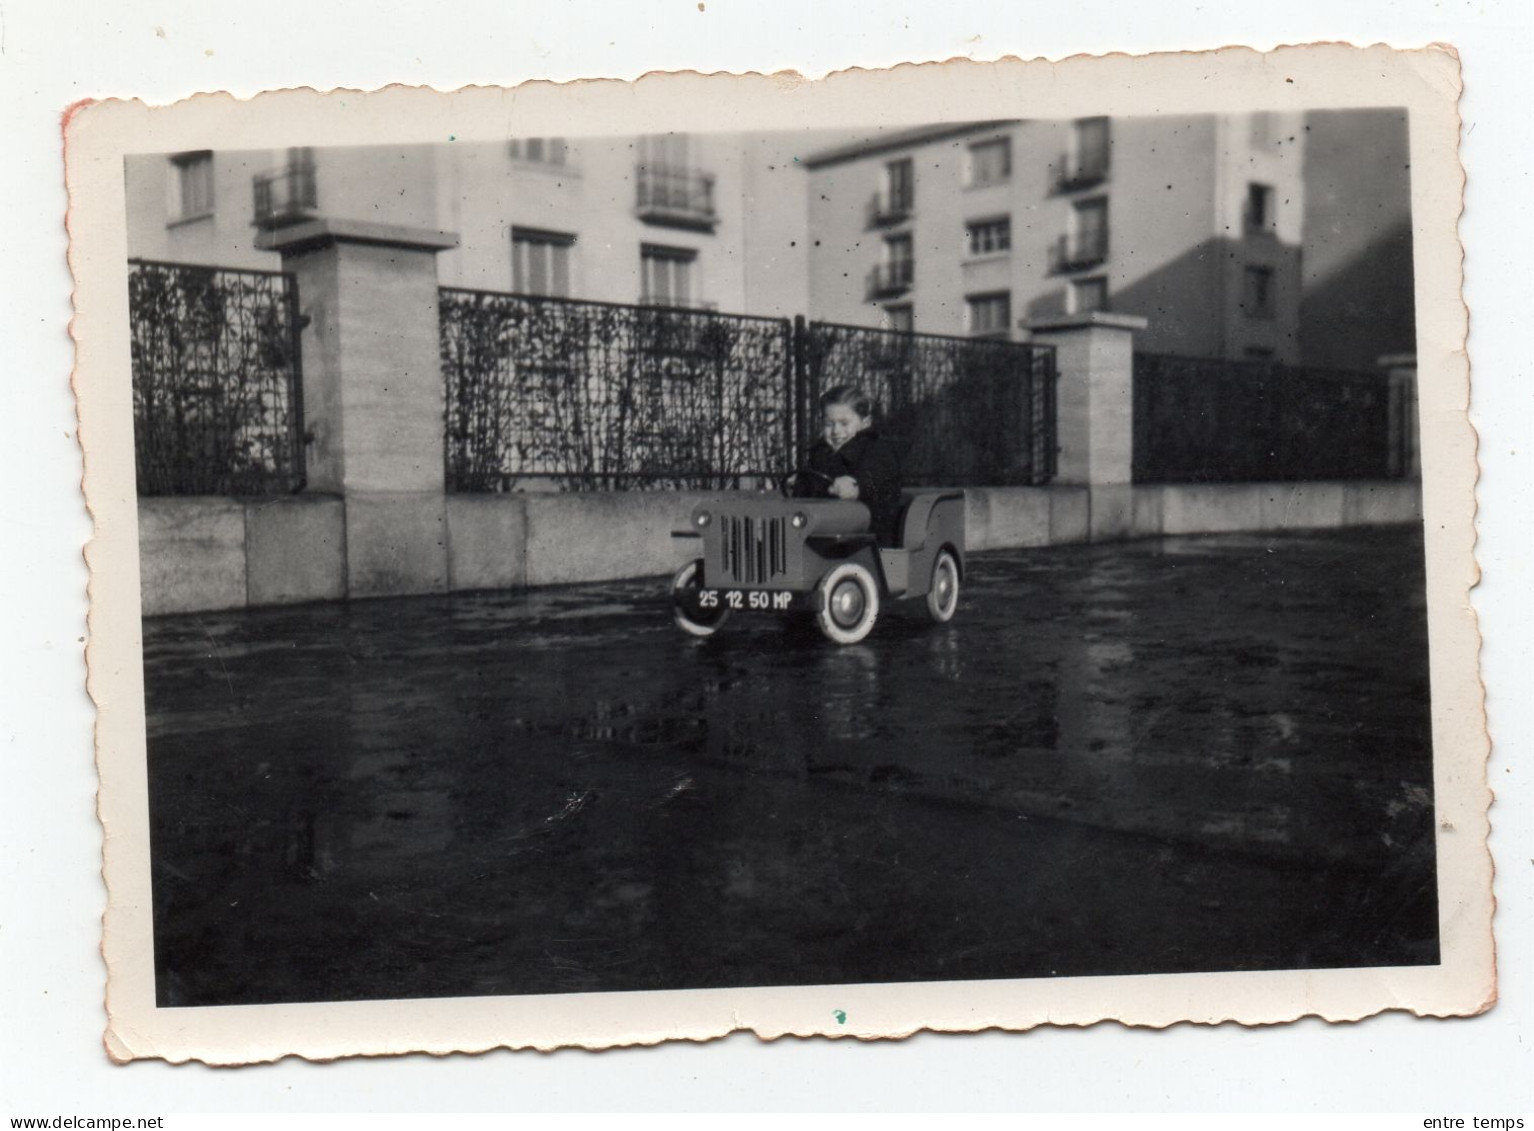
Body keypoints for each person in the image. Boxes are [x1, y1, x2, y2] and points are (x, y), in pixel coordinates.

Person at [793, 384, 904, 546]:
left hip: (869, 534)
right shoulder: (819, 454)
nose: (836, 431)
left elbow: (879, 476)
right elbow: (804, 490)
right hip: (823, 530)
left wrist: (858, 486)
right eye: (829, 424)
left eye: (844, 423)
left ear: (865, 422)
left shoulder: (876, 449)